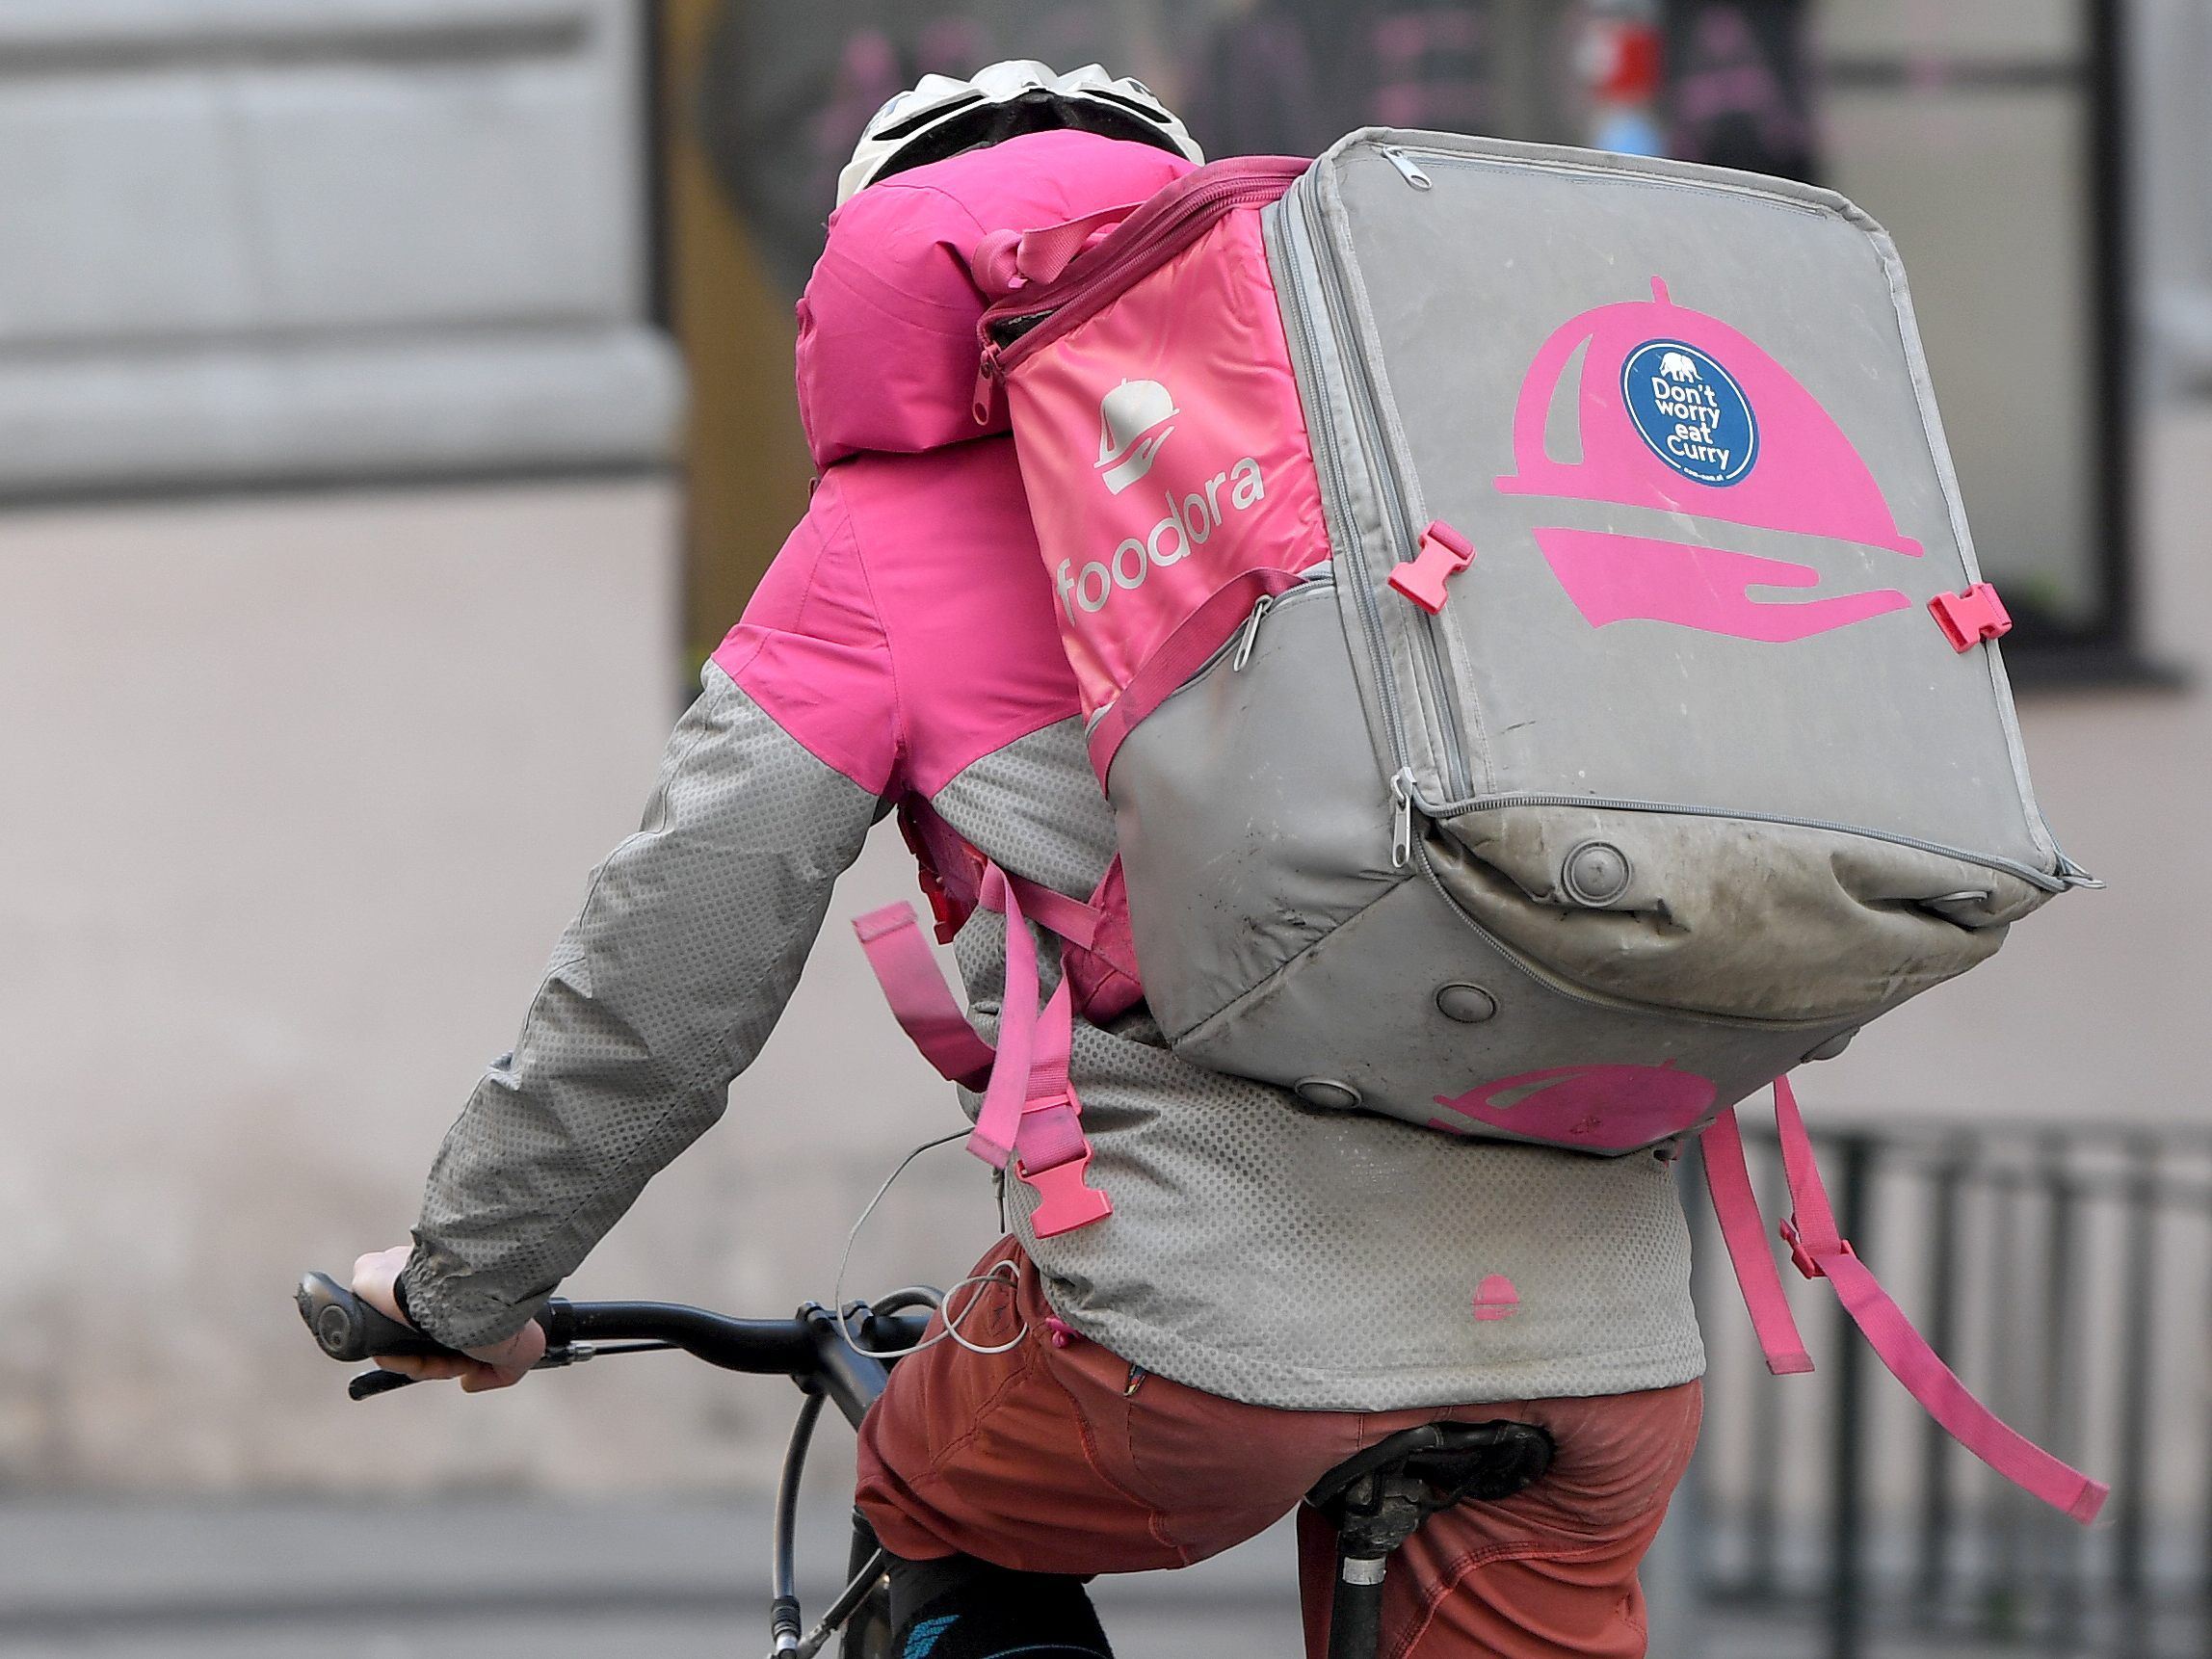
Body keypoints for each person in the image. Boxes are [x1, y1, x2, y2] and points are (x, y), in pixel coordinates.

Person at [349, 62, 1703, 1659]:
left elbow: (671, 955)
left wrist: (469, 1277)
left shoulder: (884, 539)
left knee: (929, 1480)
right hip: (1605, 1329)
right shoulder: (1421, 468)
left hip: (1196, 1329)